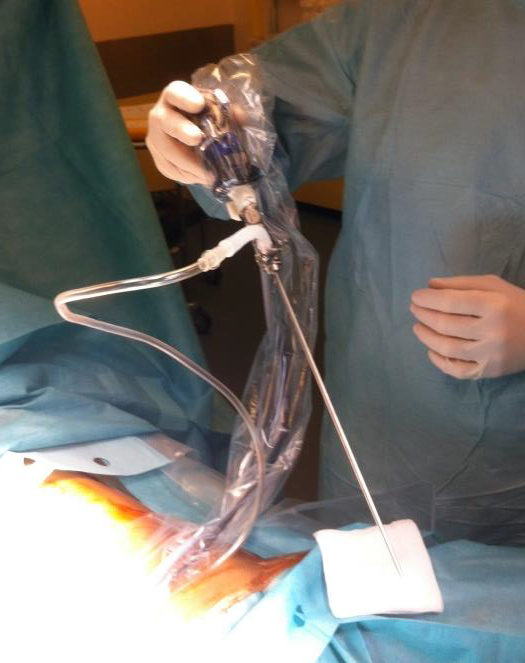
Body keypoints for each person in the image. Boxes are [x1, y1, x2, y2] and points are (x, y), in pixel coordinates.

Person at [146, 0, 525, 546]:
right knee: (365, 569)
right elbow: (267, 114)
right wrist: (201, 133)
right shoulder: (404, 17)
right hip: (384, 418)